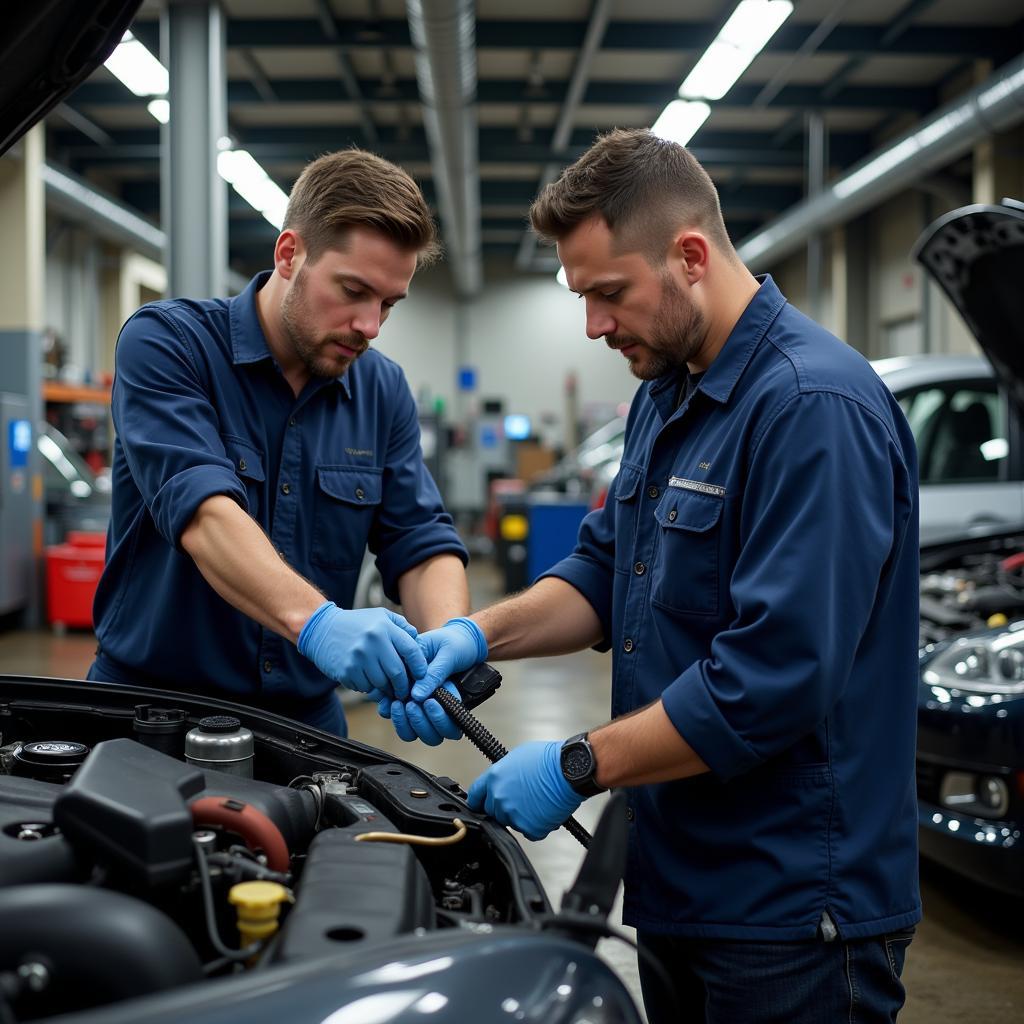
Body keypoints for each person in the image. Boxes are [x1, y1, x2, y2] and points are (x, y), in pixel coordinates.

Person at [384, 129, 921, 1022]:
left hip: (794, 914)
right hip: (681, 880)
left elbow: (769, 681)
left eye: (608, 293)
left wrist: (578, 762)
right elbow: (605, 568)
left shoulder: (811, 408)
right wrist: (475, 635)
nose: (594, 325)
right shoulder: (668, 394)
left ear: (690, 255)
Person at [87, 149, 471, 737]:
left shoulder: (382, 388)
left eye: (388, 304)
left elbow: (419, 540)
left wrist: (444, 646)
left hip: (303, 723)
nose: (370, 326)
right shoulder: (168, 344)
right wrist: (318, 624)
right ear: (290, 254)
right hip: (149, 712)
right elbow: (205, 513)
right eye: (353, 290)